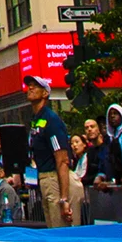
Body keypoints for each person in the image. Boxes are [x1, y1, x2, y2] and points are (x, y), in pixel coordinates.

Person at [19, 73, 76, 224]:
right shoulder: (36, 120)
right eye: (29, 85)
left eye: (35, 86)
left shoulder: (51, 119)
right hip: (42, 179)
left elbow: (62, 159)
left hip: (54, 179)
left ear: (45, 93)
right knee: (51, 227)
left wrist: (64, 198)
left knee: (59, 228)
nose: (30, 88)